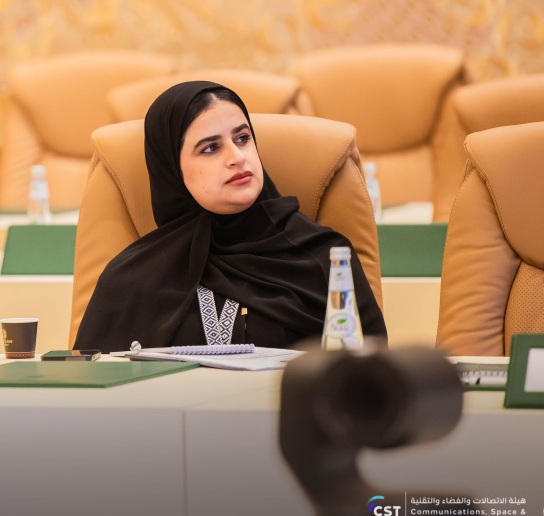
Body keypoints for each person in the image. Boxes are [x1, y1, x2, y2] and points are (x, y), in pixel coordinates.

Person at [74, 80, 387, 352]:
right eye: (210, 148)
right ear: (171, 170)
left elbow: (370, 387)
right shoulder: (133, 279)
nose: (238, 158)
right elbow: (91, 394)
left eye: (242, 138)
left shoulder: (323, 258)